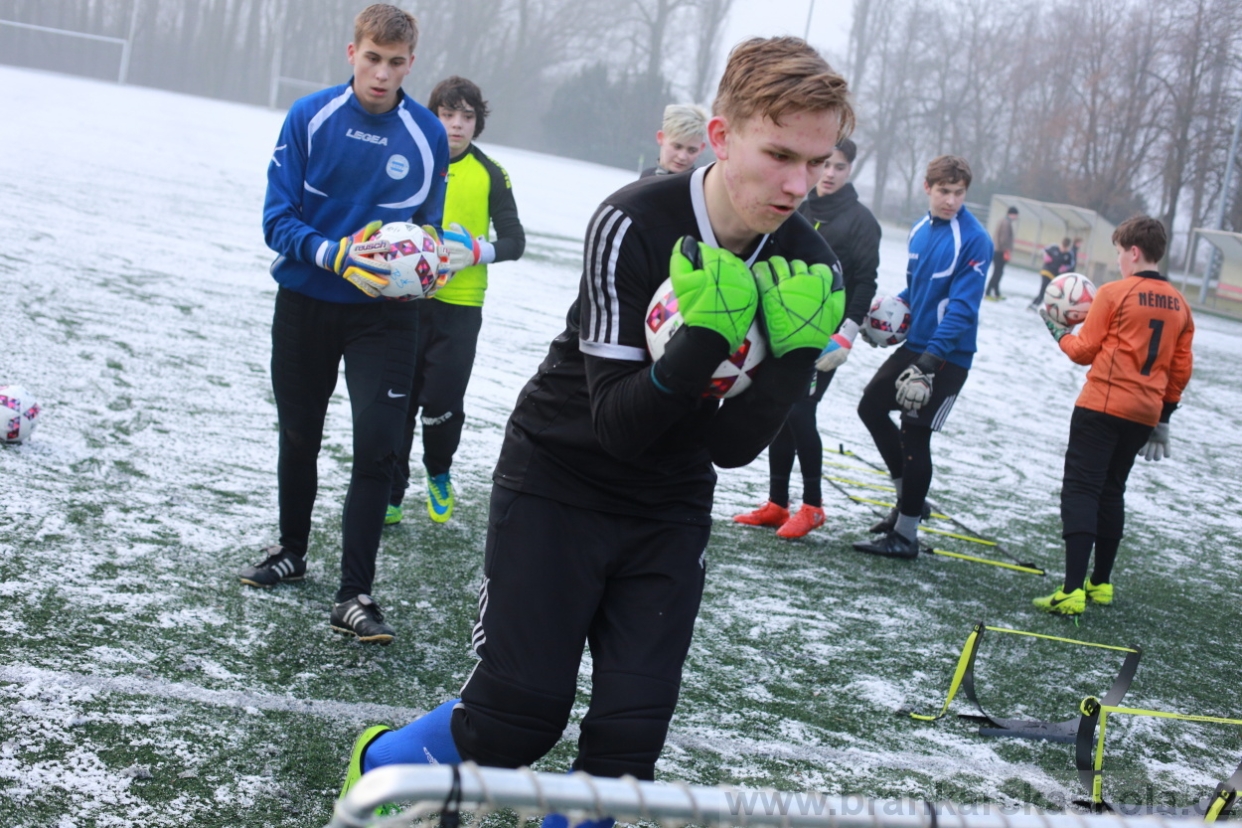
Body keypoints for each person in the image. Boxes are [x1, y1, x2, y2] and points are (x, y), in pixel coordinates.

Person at [339, 36, 851, 798]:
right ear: (720, 136)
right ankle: (379, 765)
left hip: (670, 501)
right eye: (780, 154)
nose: (798, 184)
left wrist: (788, 360)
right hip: (561, 473)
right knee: (515, 722)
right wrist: (705, 335)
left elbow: (735, 447)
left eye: (817, 162)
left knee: (627, 746)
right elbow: (617, 422)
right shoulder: (634, 221)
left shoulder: (812, 266)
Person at [238, 4, 451, 645]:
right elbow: (277, 221)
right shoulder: (310, 116)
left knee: (379, 448)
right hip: (306, 300)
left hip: (386, 318)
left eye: (395, 63)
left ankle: (354, 594)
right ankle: (292, 551)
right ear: (351, 53)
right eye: (372, 59)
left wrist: (428, 259)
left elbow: (429, 229)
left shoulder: (427, 135)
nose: (382, 75)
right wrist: (334, 254)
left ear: (411, 63)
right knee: (299, 433)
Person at [1033, 216, 1193, 615]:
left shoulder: (1115, 292)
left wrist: (1057, 331)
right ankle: (1100, 583)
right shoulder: (1181, 305)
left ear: (1134, 251)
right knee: (1112, 490)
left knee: (1082, 490)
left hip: (1102, 406)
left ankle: (1071, 590)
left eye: (1121, 252)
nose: (1120, 260)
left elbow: (1083, 351)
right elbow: (1180, 369)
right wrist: (1165, 417)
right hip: (1144, 413)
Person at [387, 76, 526, 526]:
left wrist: (478, 251)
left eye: (467, 116)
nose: (456, 125)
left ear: (477, 124)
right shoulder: (413, 158)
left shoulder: (490, 173)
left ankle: (438, 470)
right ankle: (391, 489)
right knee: (399, 400)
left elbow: (515, 240)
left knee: (442, 401)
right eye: (448, 114)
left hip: (461, 306)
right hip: (405, 299)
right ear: (434, 116)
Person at [733, 137, 879, 538]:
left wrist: (846, 334)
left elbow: (865, 281)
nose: (829, 174)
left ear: (850, 171)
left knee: (800, 413)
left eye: (838, 167)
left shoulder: (862, 222)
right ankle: (778, 504)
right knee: (780, 412)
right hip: (782, 330)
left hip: (825, 338)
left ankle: (813, 506)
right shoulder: (799, 206)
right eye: (824, 165)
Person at [852, 156, 992, 559]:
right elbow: (920, 292)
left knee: (916, 434)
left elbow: (963, 309)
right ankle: (908, 503)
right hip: (916, 344)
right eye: (944, 191)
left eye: (959, 193)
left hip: (947, 354)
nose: (951, 200)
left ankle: (906, 536)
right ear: (927, 188)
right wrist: (888, 313)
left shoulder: (974, 239)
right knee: (870, 407)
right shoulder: (920, 229)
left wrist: (928, 366)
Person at [638, 103, 709, 178]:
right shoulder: (646, 177)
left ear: (701, 148)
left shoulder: (699, 187)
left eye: (692, 150)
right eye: (677, 147)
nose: (682, 157)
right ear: (660, 138)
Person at [985, 206, 1018, 300]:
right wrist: (1006, 250)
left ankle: (996, 293)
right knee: (997, 273)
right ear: (1012, 214)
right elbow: (1004, 239)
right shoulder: (1006, 223)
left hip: (997, 250)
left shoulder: (1002, 221)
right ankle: (988, 292)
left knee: (998, 272)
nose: (1016, 217)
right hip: (1000, 251)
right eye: (1016, 215)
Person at [1029, 236, 1072, 309]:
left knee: (1049, 292)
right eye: (1062, 247)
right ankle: (1035, 304)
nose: (1063, 250)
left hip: (1055, 276)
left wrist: (1065, 267)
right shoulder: (1054, 247)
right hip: (1047, 272)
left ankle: (1036, 303)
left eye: (1065, 248)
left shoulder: (1068, 254)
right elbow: (1043, 251)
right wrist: (1045, 256)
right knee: (1044, 288)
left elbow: (1071, 264)